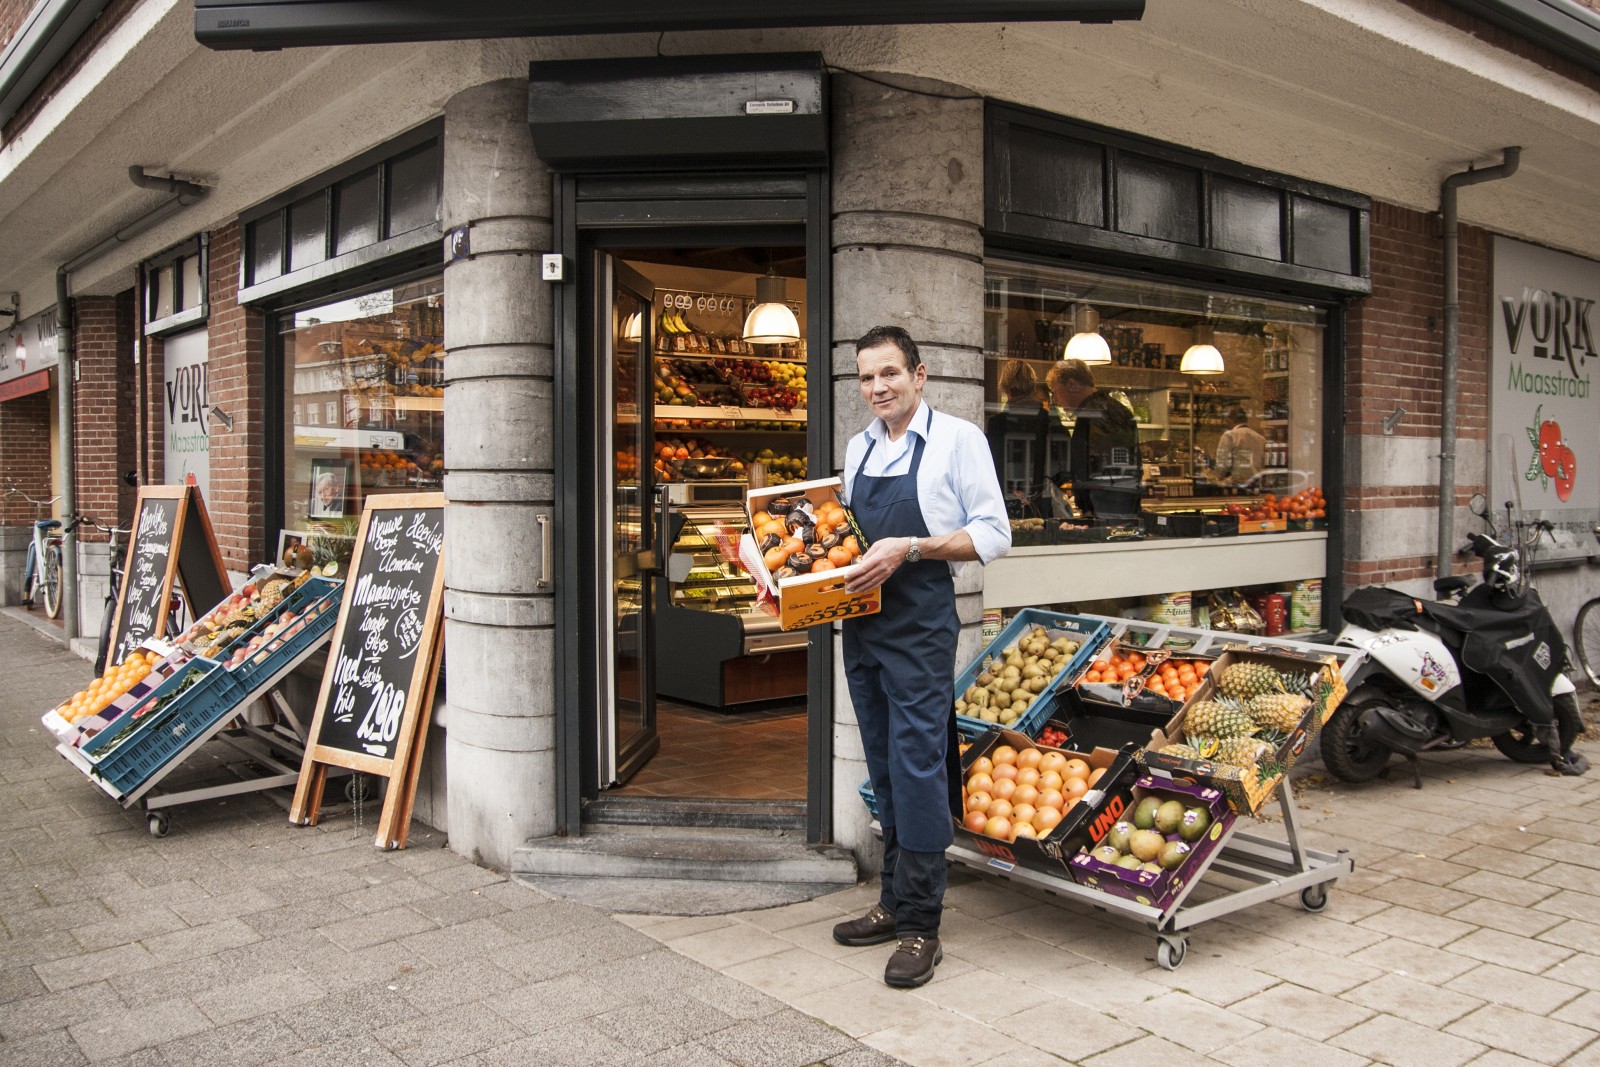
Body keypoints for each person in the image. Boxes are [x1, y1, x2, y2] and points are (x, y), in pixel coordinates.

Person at [832, 325, 1010, 989]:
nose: (878, 387)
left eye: (890, 374)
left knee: (917, 765)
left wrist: (912, 546)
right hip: (864, 624)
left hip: (920, 626)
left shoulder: (959, 441)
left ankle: (921, 926)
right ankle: (892, 900)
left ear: (920, 375)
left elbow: (994, 532)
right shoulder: (858, 447)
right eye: (867, 377)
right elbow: (844, 535)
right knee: (881, 764)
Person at [1045, 359, 1142, 519]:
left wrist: (1089, 507)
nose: (1056, 399)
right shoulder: (1111, 409)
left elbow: (1101, 467)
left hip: (1107, 510)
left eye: (1056, 392)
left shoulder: (1094, 414)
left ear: (1071, 384)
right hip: (1118, 506)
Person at [984, 359, 1051, 518]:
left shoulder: (996, 424)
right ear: (1033, 386)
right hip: (1043, 500)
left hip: (1003, 502)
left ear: (1006, 388)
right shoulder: (1050, 421)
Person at [1213, 406, 1267, 486]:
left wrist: (1213, 478)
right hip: (1255, 485)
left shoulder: (1229, 435)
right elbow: (1263, 465)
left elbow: (1223, 465)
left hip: (1235, 485)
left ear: (1229, 420)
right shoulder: (1260, 438)